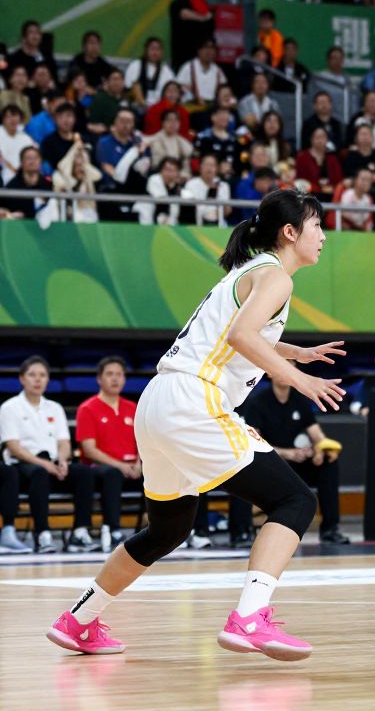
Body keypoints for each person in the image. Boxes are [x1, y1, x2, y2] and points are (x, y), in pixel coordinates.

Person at [46, 189, 347, 660]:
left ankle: (77, 620)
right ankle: (249, 618)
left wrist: (294, 353)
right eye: (317, 226)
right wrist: (299, 379)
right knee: (293, 500)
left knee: (167, 529)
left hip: (158, 402)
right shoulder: (275, 277)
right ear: (290, 232)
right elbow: (241, 336)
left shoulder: (248, 273)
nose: (324, 236)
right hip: (194, 401)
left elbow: (236, 338)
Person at [1, 356, 99, 554]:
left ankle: (79, 533)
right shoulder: (10, 407)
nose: (38, 380)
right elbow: (14, 447)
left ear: (47, 380)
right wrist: (45, 464)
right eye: (32, 375)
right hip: (22, 467)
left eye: (42, 375)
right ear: (22, 379)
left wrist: (62, 460)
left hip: (53, 465)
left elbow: (64, 442)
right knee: (39, 472)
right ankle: (42, 534)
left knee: (83, 472)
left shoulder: (55, 407)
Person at [239, 371, 348, 545]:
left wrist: (320, 450)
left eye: (291, 367)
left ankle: (330, 529)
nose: (285, 371)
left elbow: (318, 436)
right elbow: (254, 443)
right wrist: (287, 453)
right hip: (271, 464)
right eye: (282, 366)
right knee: (242, 465)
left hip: (297, 465)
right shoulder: (257, 402)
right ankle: (241, 532)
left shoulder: (300, 401)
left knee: (329, 463)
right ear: (271, 372)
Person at [76, 357, 141, 553]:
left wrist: (139, 462)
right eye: (110, 374)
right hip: (100, 469)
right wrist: (120, 465)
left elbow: (144, 441)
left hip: (134, 468)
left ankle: (168, 530)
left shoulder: (133, 407)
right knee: (112, 474)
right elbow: (89, 450)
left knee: (164, 473)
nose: (115, 379)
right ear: (99, 379)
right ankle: (114, 530)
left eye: (119, 374)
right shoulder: (87, 408)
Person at [169, 0, 214, 70]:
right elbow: (183, 14)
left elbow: (210, 20)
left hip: (202, 56)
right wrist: (203, 18)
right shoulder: (178, 2)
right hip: (183, 53)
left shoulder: (204, 2)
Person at [125, 37, 175, 110]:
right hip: (138, 107)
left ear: (162, 52)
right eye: (152, 49)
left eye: (158, 49)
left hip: (160, 108)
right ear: (146, 50)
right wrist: (144, 104)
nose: (155, 52)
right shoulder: (135, 65)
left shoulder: (166, 70)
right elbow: (130, 88)